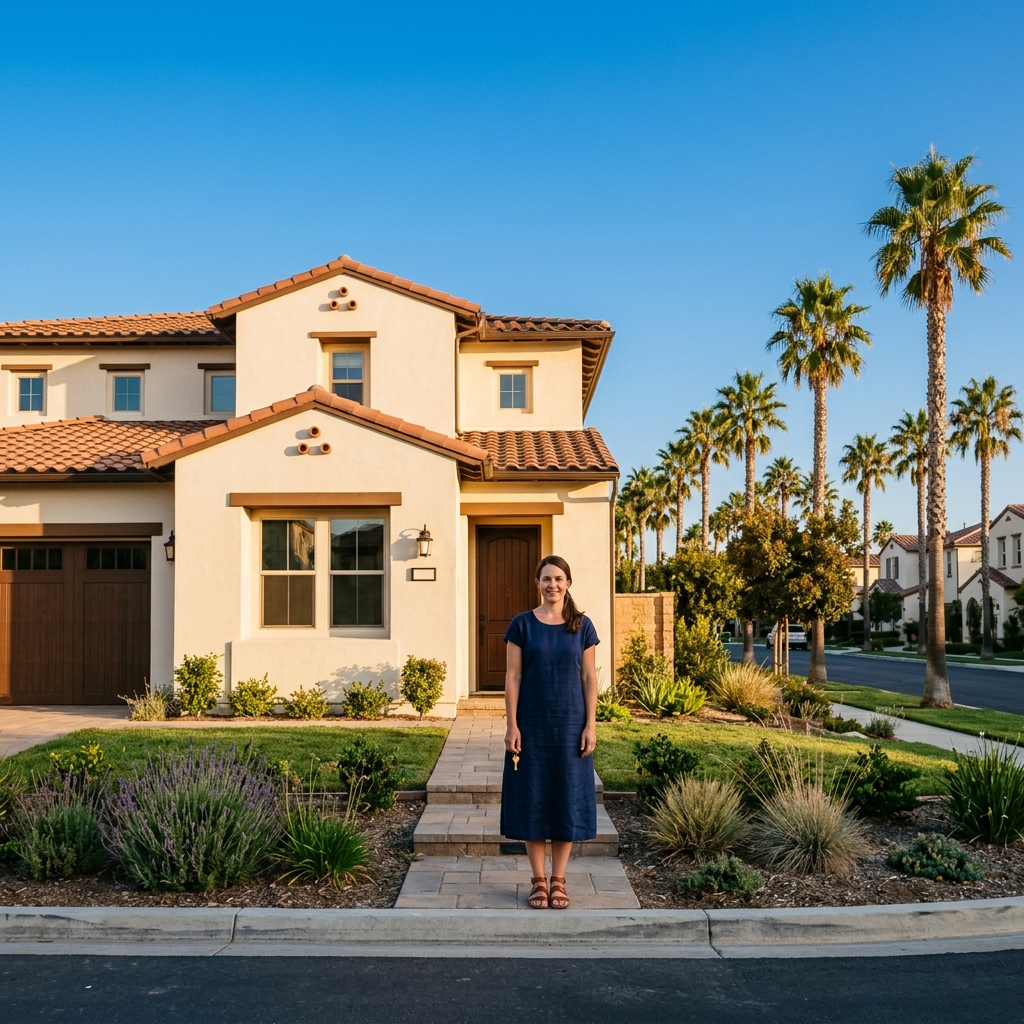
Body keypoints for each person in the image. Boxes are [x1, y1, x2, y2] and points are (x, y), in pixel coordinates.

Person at [501, 555, 599, 910]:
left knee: (565, 798)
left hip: (571, 724)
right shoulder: (522, 625)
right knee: (533, 798)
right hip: (531, 725)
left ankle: (559, 880)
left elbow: (589, 677)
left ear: (568, 583)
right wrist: (512, 724)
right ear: (538, 583)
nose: (552, 584)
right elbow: (513, 677)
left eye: (559, 578)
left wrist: (591, 724)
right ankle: (538, 881)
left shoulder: (582, 626)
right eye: (546, 579)